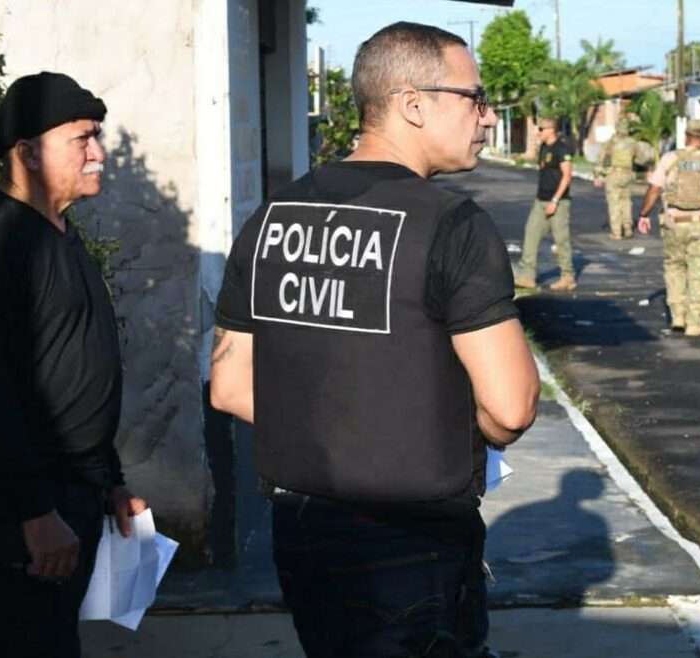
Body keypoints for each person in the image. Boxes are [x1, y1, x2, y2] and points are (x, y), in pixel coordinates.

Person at [209, 22, 540, 657]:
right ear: (414, 104)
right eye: (475, 97)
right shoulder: (453, 226)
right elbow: (509, 407)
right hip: (410, 539)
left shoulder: (273, 217)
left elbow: (229, 384)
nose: (488, 117)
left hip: (303, 530)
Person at [0, 72, 146, 658]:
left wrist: (111, 479)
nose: (98, 152)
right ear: (26, 152)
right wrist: (34, 509)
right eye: (82, 138)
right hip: (30, 502)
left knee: (53, 640)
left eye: (97, 136)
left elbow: (71, 363)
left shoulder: (60, 233)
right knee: (31, 643)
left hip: (74, 491)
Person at [637, 119, 700, 336]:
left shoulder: (670, 159)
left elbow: (654, 189)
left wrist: (643, 215)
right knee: (699, 272)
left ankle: (677, 316)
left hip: (674, 224)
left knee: (674, 268)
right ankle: (695, 321)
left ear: (686, 136)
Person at [514, 117, 577, 291]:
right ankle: (527, 275)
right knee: (531, 233)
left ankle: (568, 276)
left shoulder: (561, 148)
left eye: (540, 129)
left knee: (561, 239)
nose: (537, 132)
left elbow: (567, 176)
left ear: (550, 130)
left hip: (559, 202)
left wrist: (555, 201)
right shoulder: (543, 147)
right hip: (540, 200)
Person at [593, 116, 654, 240]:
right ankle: (627, 228)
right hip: (627, 175)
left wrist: (598, 175)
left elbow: (601, 159)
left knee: (614, 203)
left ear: (617, 128)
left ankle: (617, 232)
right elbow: (641, 159)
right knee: (626, 202)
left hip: (613, 175)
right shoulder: (633, 143)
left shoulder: (610, 143)